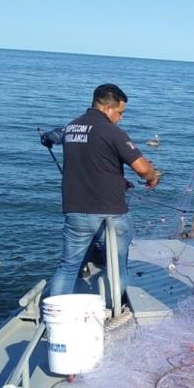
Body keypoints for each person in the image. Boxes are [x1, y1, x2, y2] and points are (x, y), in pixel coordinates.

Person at [45, 83, 161, 299]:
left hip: (76, 210)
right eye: (120, 112)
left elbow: (94, 163)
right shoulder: (111, 131)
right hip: (110, 212)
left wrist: (118, 180)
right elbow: (143, 169)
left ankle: (54, 314)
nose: (121, 118)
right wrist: (153, 177)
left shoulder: (71, 128)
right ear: (108, 108)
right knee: (116, 267)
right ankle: (110, 310)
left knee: (68, 266)